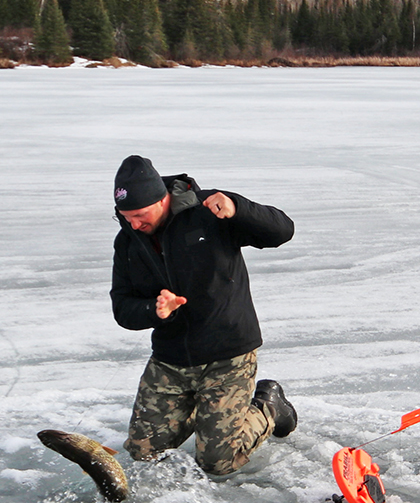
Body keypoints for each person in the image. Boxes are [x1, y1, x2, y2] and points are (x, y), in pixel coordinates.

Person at [110, 154, 297, 476]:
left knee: (217, 462)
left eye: (139, 215)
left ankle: (269, 406)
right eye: (126, 217)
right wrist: (153, 311)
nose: (134, 224)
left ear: (162, 198)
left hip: (227, 352)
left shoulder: (209, 212)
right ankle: (205, 415)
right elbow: (122, 307)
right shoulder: (129, 241)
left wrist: (239, 208)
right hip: (171, 359)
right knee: (144, 454)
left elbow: (282, 231)